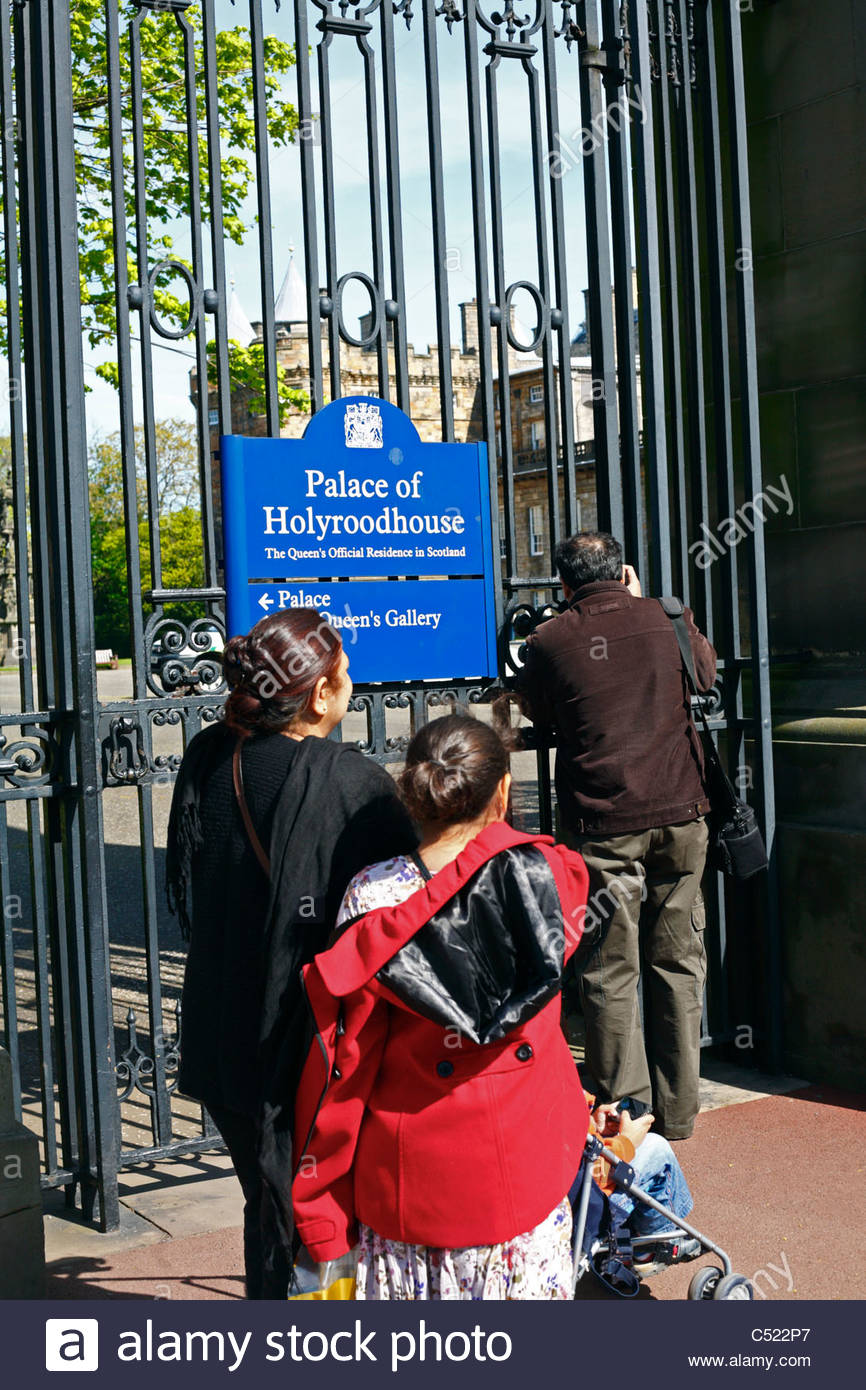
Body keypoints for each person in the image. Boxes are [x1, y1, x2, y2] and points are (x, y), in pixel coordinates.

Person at [292, 714, 592, 1300]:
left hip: (414, 1184)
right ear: (502, 790)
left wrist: (319, 1213)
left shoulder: (374, 899)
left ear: (415, 793)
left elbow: (342, 1070)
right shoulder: (549, 875)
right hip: (529, 1170)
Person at [165, 609, 416, 1299]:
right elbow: (406, 914)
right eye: (343, 670)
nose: (353, 680)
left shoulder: (210, 758)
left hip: (224, 1036)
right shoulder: (347, 783)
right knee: (323, 1215)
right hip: (307, 1047)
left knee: (268, 1204)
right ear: (318, 693)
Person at [520, 531, 717, 1141]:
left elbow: (537, 709)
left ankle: (625, 1116)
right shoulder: (669, 616)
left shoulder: (552, 639)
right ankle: (680, 1109)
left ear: (563, 583)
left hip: (604, 824)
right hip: (681, 814)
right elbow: (704, 678)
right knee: (679, 961)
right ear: (624, 570)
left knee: (609, 968)